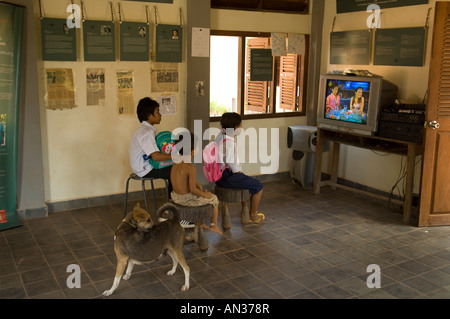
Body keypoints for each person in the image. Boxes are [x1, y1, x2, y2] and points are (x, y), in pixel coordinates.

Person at [215, 112, 265, 224]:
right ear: (235, 127)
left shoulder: (220, 137)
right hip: (227, 177)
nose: (242, 128)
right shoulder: (229, 142)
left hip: (219, 176)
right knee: (258, 186)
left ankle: (250, 213)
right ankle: (253, 215)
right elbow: (231, 162)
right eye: (241, 125)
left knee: (248, 181)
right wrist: (239, 172)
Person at [170, 132, 223, 235]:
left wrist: (196, 183)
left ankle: (200, 222)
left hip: (175, 196)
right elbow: (192, 190)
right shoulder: (191, 168)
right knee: (214, 199)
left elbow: (183, 179)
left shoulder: (176, 162)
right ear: (193, 151)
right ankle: (214, 225)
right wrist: (206, 195)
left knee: (200, 193)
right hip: (186, 200)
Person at [129, 97, 173, 195]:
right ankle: (175, 200)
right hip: (145, 169)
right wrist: (176, 156)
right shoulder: (146, 132)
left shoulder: (145, 130)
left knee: (176, 166)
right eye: (157, 112)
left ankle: (174, 199)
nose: (160, 115)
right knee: (177, 170)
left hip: (144, 166)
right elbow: (156, 157)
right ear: (149, 116)